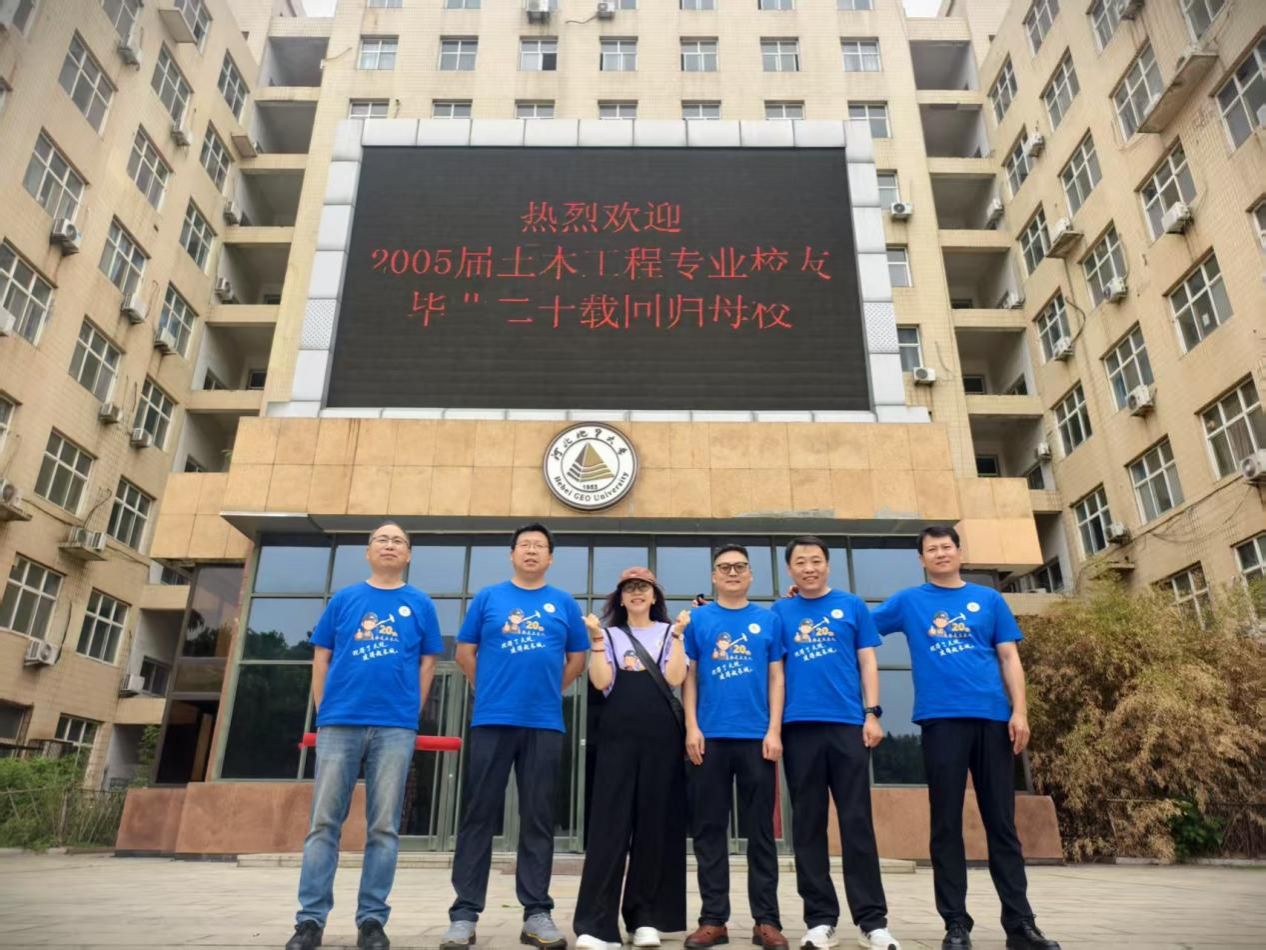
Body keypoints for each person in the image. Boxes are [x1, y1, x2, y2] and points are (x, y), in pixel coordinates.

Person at [871, 527, 1060, 950]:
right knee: (945, 823)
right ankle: (956, 923)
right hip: (941, 721)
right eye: (931, 549)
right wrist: (807, 601)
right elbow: (857, 626)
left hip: (993, 720)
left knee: (1002, 824)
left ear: (959, 552)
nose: (940, 553)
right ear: (921, 559)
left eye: (946, 547)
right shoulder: (909, 601)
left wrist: (1020, 711)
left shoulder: (988, 600)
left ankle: (1021, 924)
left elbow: (1009, 657)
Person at [286, 522, 444, 950]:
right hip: (340, 722)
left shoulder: (420, 603)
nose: (390, 545)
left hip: (395, 727)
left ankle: (372, 920)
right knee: (323, 823)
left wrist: (410, 712)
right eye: (382, 539)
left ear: (408, 554)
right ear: (368, 551)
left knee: (384, 827)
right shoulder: (345, 599)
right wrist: (324, 710)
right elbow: (321, 656)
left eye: (399, 541)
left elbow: (428, 663)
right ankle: (310, 921)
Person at [440, 523, 590, 950]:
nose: (531, 551)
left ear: (550, 558)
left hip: (544, 722)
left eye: (540, 546)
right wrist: (488, 688)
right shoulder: (489, 598)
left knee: (538, 818)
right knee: (478, 816)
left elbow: (577, 658)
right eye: (525, 545)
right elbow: (464, 653)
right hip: (492, 719)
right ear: (512, 554)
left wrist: (550, 690)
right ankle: (464, 914)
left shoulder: (563, 602)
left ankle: (536, 913)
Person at [771, 537, 901, 950]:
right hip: (798, 727)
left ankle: (872, 921)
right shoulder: (780, 611)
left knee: (856, 822)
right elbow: (773, 670)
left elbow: (867, 660)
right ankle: (820, 919)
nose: (809, 567)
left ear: (827, 565)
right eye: (800, 562)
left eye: (815, 560)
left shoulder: (852, 605)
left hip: (847, 725)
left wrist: (872, 712)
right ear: (790, 570)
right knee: (808, 826)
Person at [573, 567, 690, 950]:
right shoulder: (608, 635)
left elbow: (675, 678)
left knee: (654, 826)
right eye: (630, 589)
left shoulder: (670, 632)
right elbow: (601, 681)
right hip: (617, 739)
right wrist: (595, 640)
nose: (637, 594)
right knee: (609, 828)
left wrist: (678, 637)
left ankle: (645, 918)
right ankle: (596, 925)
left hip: (661, 739)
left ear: (655, 597)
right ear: (621, 599)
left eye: (644, 588)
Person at [683, 544, 788, 950]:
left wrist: (774, 730)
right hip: (708, 739)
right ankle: (713, 920)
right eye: (724, 567)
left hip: (757, 739)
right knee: (709, 831)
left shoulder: (768, 620)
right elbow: (689, 676)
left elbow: (776, 677)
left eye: (739, 566)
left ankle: (767, 921)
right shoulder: (698, 619)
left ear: (750, 575)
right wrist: (692, 727)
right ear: (713, 576)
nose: (732, 572)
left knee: (761, 833)